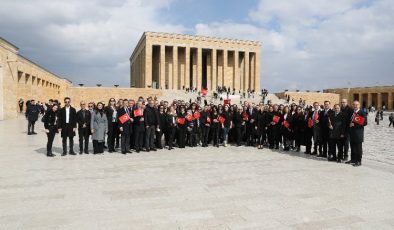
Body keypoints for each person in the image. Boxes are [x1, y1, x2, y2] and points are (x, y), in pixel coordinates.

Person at [346, 100, 367, 167]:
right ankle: (353, 159)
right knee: (352, 147)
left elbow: (365, 123)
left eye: (357, 104)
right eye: (354, 104)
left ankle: (358, 161)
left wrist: (354, 125)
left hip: (358, 133)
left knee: (358, 148)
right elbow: (350, 121)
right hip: (352, 133)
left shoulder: (362, 112)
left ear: (359, 105)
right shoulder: (352, 112)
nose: (355, 106)